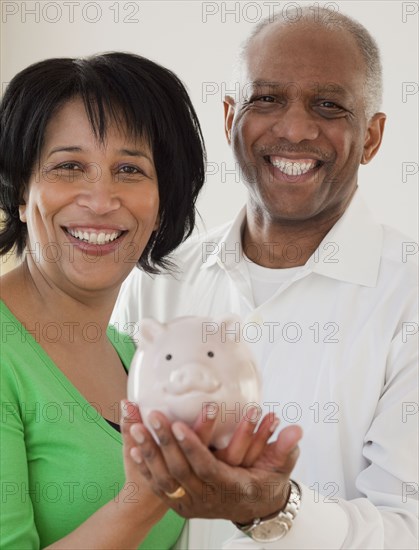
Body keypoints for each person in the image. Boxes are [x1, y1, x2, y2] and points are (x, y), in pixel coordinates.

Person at [114, 6, 419, 549]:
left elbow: (409, 529)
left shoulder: (409, 295)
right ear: (231, 116)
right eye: (267, 99)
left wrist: (274, 509)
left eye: (328, 105)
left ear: (371, 137)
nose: (295, 129)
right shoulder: (156, 280)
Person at [0, 51, 209, 549]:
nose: (100, 199)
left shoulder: (136, 359)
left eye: (130, 170)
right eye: (69, 166)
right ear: (22, 194)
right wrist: (144, 500)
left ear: (162, 205)